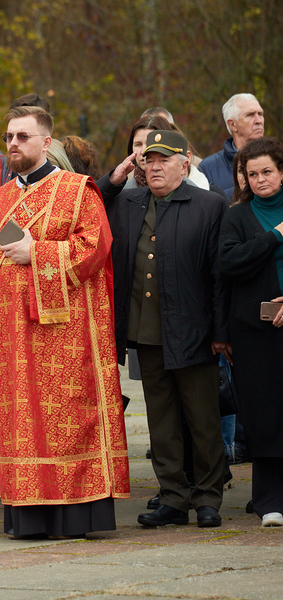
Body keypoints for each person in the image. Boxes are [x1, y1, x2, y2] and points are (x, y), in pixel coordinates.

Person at [0, 106, 130, 538]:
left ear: (45, 142)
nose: (13, 144)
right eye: (9, 136)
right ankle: (29, 518)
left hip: (66, 334)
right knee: (22, 425)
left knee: (67, 419)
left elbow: (96, 247)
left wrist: (39, 254)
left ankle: (75, 515)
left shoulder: (78, 190)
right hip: (14, 334)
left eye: (23, 136)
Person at [105, 129, 229, 529]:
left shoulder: (210, 205)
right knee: (161, 422)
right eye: (148, 160)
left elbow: (220, 275)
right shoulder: (126, 202)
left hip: (195, 331)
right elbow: (89, 208)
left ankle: (208, 498)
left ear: (184, 162)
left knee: (203, 421)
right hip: (146, 330)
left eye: (164, 159)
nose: (154, 166)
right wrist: (113, 179)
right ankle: (173, 498)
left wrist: (220, 331)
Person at [219, 136, 283, 527]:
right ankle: (268, 499)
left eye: (267, 172)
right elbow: (230, 262)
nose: (260, 180)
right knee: (263, 413)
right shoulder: (237, 216)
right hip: (253, 333)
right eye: (252, 173)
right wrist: (275, 235)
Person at [199, 93, 265, 198]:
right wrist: (244, 191)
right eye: (250, 115)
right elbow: (205, 209)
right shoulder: (207, 168)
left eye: (260, 114)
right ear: (232, 125)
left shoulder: (278, 158)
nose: (259, 121)